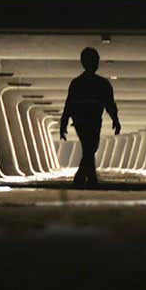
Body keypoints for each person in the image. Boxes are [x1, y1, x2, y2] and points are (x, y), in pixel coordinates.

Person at [59, 47, 121, 188]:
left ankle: (89, 176)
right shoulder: (102, 84)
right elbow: (109, 104)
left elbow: (68, 105)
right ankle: (83, 177)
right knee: (91, 146)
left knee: (89, 147)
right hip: (90, 120)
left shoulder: (77, 83)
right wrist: (115, 120)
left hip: (81, 120)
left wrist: (64, 123)